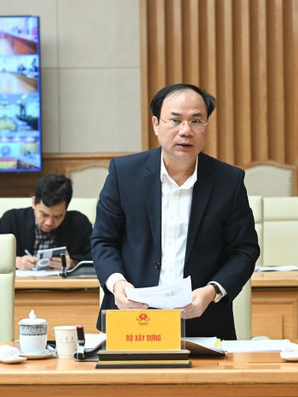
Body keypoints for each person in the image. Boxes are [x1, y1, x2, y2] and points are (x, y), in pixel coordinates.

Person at [91, 83, 260, 340]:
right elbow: (104, 240)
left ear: (206, 126)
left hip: (203, 323)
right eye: (175, 120)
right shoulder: (124, 174)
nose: (186, 131)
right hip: (132, 320)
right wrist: (118, 284)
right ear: (156, 124)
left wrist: (212, 291)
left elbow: (244, 249)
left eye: (196, 121)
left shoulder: (228, 181)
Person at [0, 173, 92, 270]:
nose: (49, 222)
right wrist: (15, 262)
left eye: (57, 216)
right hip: (22, 282)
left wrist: (73, 263)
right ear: (33, 202)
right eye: (44, 215)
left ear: (66, 209)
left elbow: (95, 257)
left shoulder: (79, 223)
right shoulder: (12, 219)